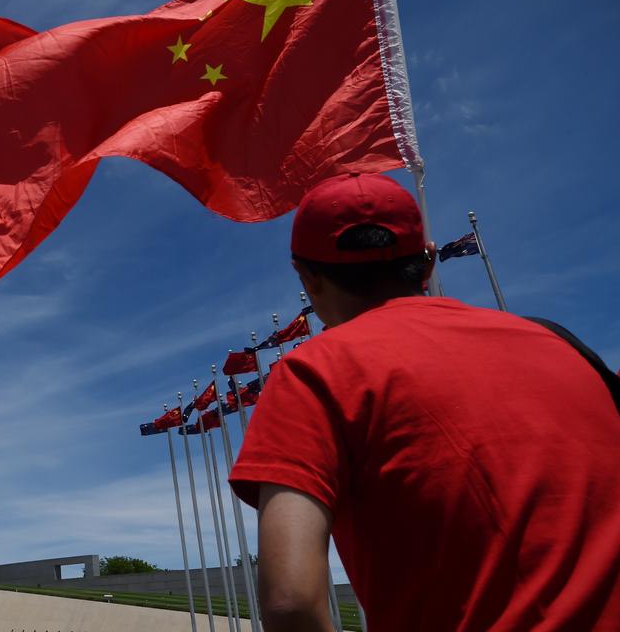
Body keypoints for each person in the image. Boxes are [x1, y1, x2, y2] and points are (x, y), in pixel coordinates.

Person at [228, 172, 620, 631]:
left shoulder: (314, 370)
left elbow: (291, 601)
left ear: (307, 277)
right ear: (430, 261)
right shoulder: (566, 347)